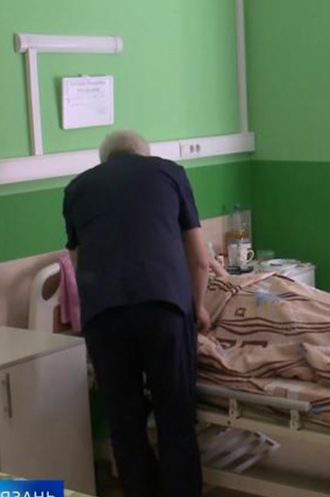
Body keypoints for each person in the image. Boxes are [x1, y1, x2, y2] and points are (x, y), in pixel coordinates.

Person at [63, 130, 209, 497]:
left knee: (124, 422)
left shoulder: (77, 188)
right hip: (163, 307)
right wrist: (198, 307)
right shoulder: (169, 173)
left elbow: (78, 263)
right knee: (175, 417)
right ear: (144, 154)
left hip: (104, 316)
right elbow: (200, 259)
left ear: (104, 160)